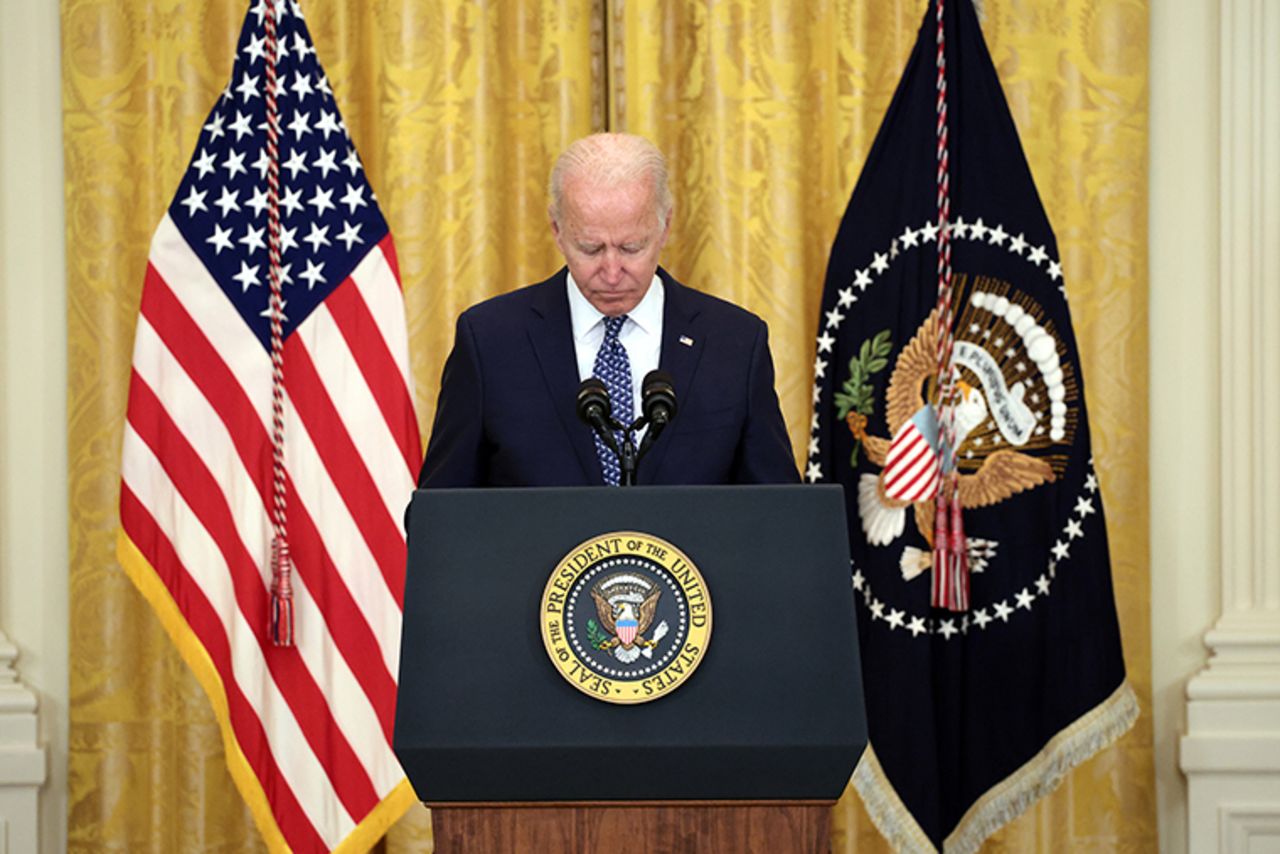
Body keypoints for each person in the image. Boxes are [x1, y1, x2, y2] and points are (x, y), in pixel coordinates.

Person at [417, 132, 798, 488]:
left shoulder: (733, 343)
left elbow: (779, 515)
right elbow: (441, 518)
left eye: (632, 247)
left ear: (665, 227)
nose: (612, 272)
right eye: (591, 248)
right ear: (557, 229)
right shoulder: (491, 343)